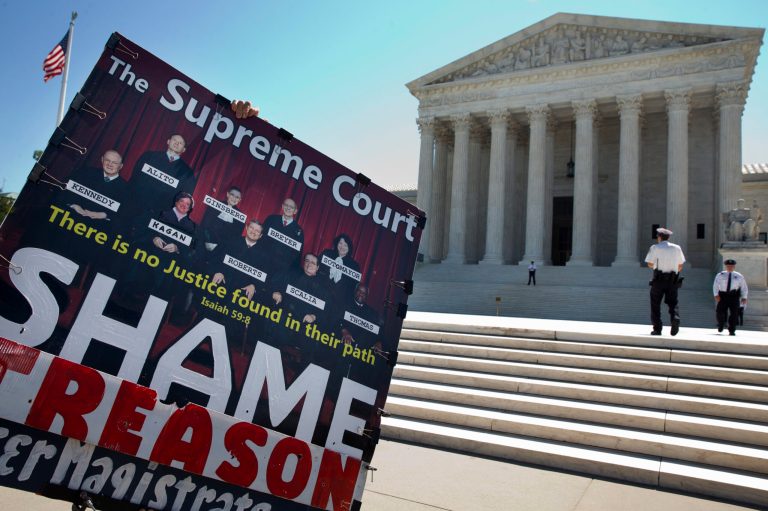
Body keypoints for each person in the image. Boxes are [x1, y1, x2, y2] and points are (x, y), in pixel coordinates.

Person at [128, 134, 196, 215]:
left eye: (180, 143)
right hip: (133, 205)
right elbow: (134, 179)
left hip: (158, 214)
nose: (177, 143)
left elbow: (183, 199)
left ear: (184, 149)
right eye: (174, 140)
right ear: (168, 141)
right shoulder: (149, 156)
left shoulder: (187, 173)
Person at [210, 219, 273, 301]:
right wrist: (218, 271)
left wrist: (254, 286)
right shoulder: (231, 241)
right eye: (252, 228)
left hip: (242, 293)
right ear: (246, 228)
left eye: (257, 231)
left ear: (260, 235)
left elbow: (265, 276)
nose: (253, 232)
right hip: (221, 283)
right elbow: (214, 258)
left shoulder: (265, 255)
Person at [644, 227, 686, 336]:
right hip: (673, 280)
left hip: (658, 280)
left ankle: (657, 329)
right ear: (668, 237)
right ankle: (675, 318)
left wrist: (657, 266)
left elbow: (649, 263)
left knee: (655, 304)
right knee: (673, 303)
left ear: (659, 237)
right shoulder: (677, 248)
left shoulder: (655, 248)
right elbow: (681, 265)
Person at [262, 198, 304, 274]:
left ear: (295, 211)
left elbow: (296, 256)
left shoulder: (299, 231)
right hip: (262, 262)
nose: (288, 208)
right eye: (286, 205)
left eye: (291, 207)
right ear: (282, 206)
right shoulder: (271, 219)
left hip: (280, 271)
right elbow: (260, 238)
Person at [319, 233, 361, 309]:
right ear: (337, 243)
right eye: (340, 243)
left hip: (338, 303)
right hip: (320, 293)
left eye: (345, 245)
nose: (342, 247)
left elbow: (352, 289)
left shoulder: (354, 266)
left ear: (349, 248)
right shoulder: (327, 253)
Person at [199, 186, 246, 253]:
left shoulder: (241, 218)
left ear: (239, 200)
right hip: (205, 244)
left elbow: (235, 238)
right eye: (232, 195)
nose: (234, 198)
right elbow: (204, 225)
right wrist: (208, 242)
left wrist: (221, 248)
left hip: (223, 250)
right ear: (227, 194)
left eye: (237, 197)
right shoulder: (214, 206)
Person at [712, 259, 748, 336]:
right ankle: (721, 324)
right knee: (719, 312)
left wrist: (744, 297)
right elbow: (715, 285)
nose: (730, 267)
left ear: (734, 267)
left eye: (731, 266)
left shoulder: (739, 276)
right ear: (726, 266)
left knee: (734, 314)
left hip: (734, 296)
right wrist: (716, 295)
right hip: (723, 296)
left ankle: (732, 330)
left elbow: (744, 287)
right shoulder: (720, 275)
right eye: (728, 266)